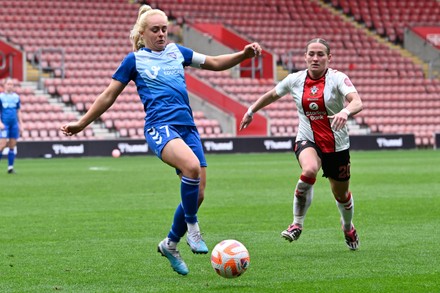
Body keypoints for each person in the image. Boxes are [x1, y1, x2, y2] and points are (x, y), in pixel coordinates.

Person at [60, 5, 262, 275]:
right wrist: (81, 123)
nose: (161, 34)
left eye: (164, 29)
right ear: (142, 34)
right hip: (159, 127)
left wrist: (244, 54)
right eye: (155, 30)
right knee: (190, 168)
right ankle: (193, 229)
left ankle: (170, 243)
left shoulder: (177, 52)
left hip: (188, 128)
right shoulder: (134, 61)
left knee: (198, 193)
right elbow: (108, 95)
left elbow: (214, 64)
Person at [240, 38, 363, 250]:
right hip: (308, 139)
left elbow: (357, 101)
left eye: (320, 54)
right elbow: (271, 95)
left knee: (341, 195)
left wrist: (345, 111)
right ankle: (297, 224)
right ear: (305, 57)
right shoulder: (295, 80)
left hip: (336, 145)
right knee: (309, 170)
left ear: (329, 58)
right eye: (311, 54)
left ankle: (347, 226)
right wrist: (251, 111)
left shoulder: (338, 78)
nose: (315, 58)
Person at [0, 78, 24, 174]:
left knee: (12, 145)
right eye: (8, 84)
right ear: (4, 85)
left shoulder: (16, 97)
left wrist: (21, 124)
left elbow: (18, 111)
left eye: (11, 84)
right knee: (1, 145)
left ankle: (10, 167)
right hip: (4, 124)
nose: (10, 86)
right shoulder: (1, 97)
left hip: (14, 124)